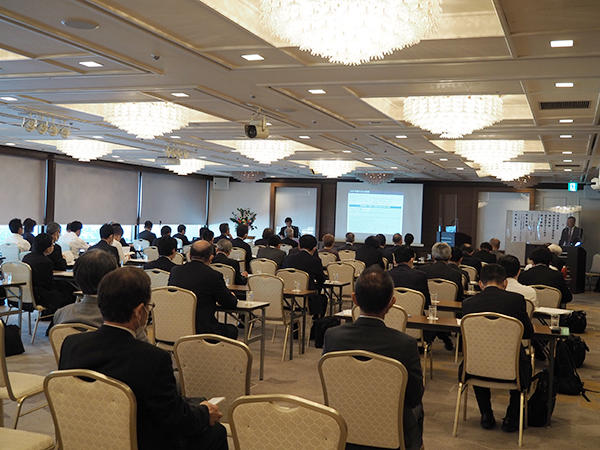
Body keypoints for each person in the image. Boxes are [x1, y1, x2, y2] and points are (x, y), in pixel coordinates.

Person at [59, 267, 227, 450]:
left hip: (87, 437)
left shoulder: (71, 345)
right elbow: (174, 420)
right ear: (139, 312)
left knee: (195, 403)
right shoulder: (153, 359)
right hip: (140, 440)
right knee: (216, 431)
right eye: (149, 306)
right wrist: (205, 414)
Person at [323, 267, 424, 450]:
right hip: (390, 432)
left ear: (354, 299)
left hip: (343, 427)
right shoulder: (405, 344)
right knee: (417, 409)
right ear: (392, 303)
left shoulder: (332, 336)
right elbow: (414, 396)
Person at [461, 264, 533, 432]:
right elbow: (527, 333)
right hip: (511, 367)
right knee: (524, 362)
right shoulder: (516, 300)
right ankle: (512, 417)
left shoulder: (468, 304)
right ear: (505, 283)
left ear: (480, 284)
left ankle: (486, 414)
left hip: (475, 368)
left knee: (478, 356)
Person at [54, 249, 152, 341]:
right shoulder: (125, 319)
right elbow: (143, 349)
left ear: (76, 277)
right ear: (113, 278)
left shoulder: (60, 314)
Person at [168, 240, 238, 339]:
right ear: (211, 257)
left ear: (189, 255)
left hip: (176, 326)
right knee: (232, 330)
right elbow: (229, 303)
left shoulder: (175, 271)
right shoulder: (213, 276)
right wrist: (232, 296)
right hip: (203, 330)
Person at [419, 242, 463, 351]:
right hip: (450, 314)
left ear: (433, 256)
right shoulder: (456, 274)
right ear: (450, 256)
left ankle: (434, 336)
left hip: (426, 312)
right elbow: (459, 298)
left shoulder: (421, 271)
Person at [22, 233, 74, 312]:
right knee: (69, 292)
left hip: (26, 294)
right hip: (40, 297)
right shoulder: (46, 262)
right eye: (52, 245)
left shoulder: (26, 257)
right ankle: (57, 316)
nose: (53, 247)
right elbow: (49, 284)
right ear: (47, 248)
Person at [282, 234, 326, 317]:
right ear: (314, 248)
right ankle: (316, 321)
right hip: (306, 298)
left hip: (286, 298)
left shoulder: (287, 259)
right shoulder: (315, 261)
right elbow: (321, 279)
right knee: (323, 298)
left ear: (299, 246)